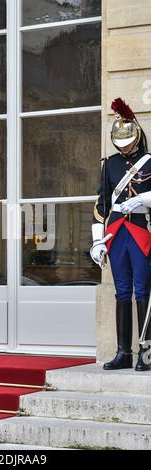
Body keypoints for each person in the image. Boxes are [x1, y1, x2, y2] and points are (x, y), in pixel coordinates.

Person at [90, 98, 151, 371]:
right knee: (122, 291)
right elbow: (101, 204)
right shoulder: (111, 165)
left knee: (143, 290)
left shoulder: (148, 162)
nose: (124, 148)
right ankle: (123, 352)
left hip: (141, 231)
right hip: (116, 234)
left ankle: (146, 351)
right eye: (120, 143)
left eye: (127, 143)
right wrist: (96, 241)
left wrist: (143, 201)